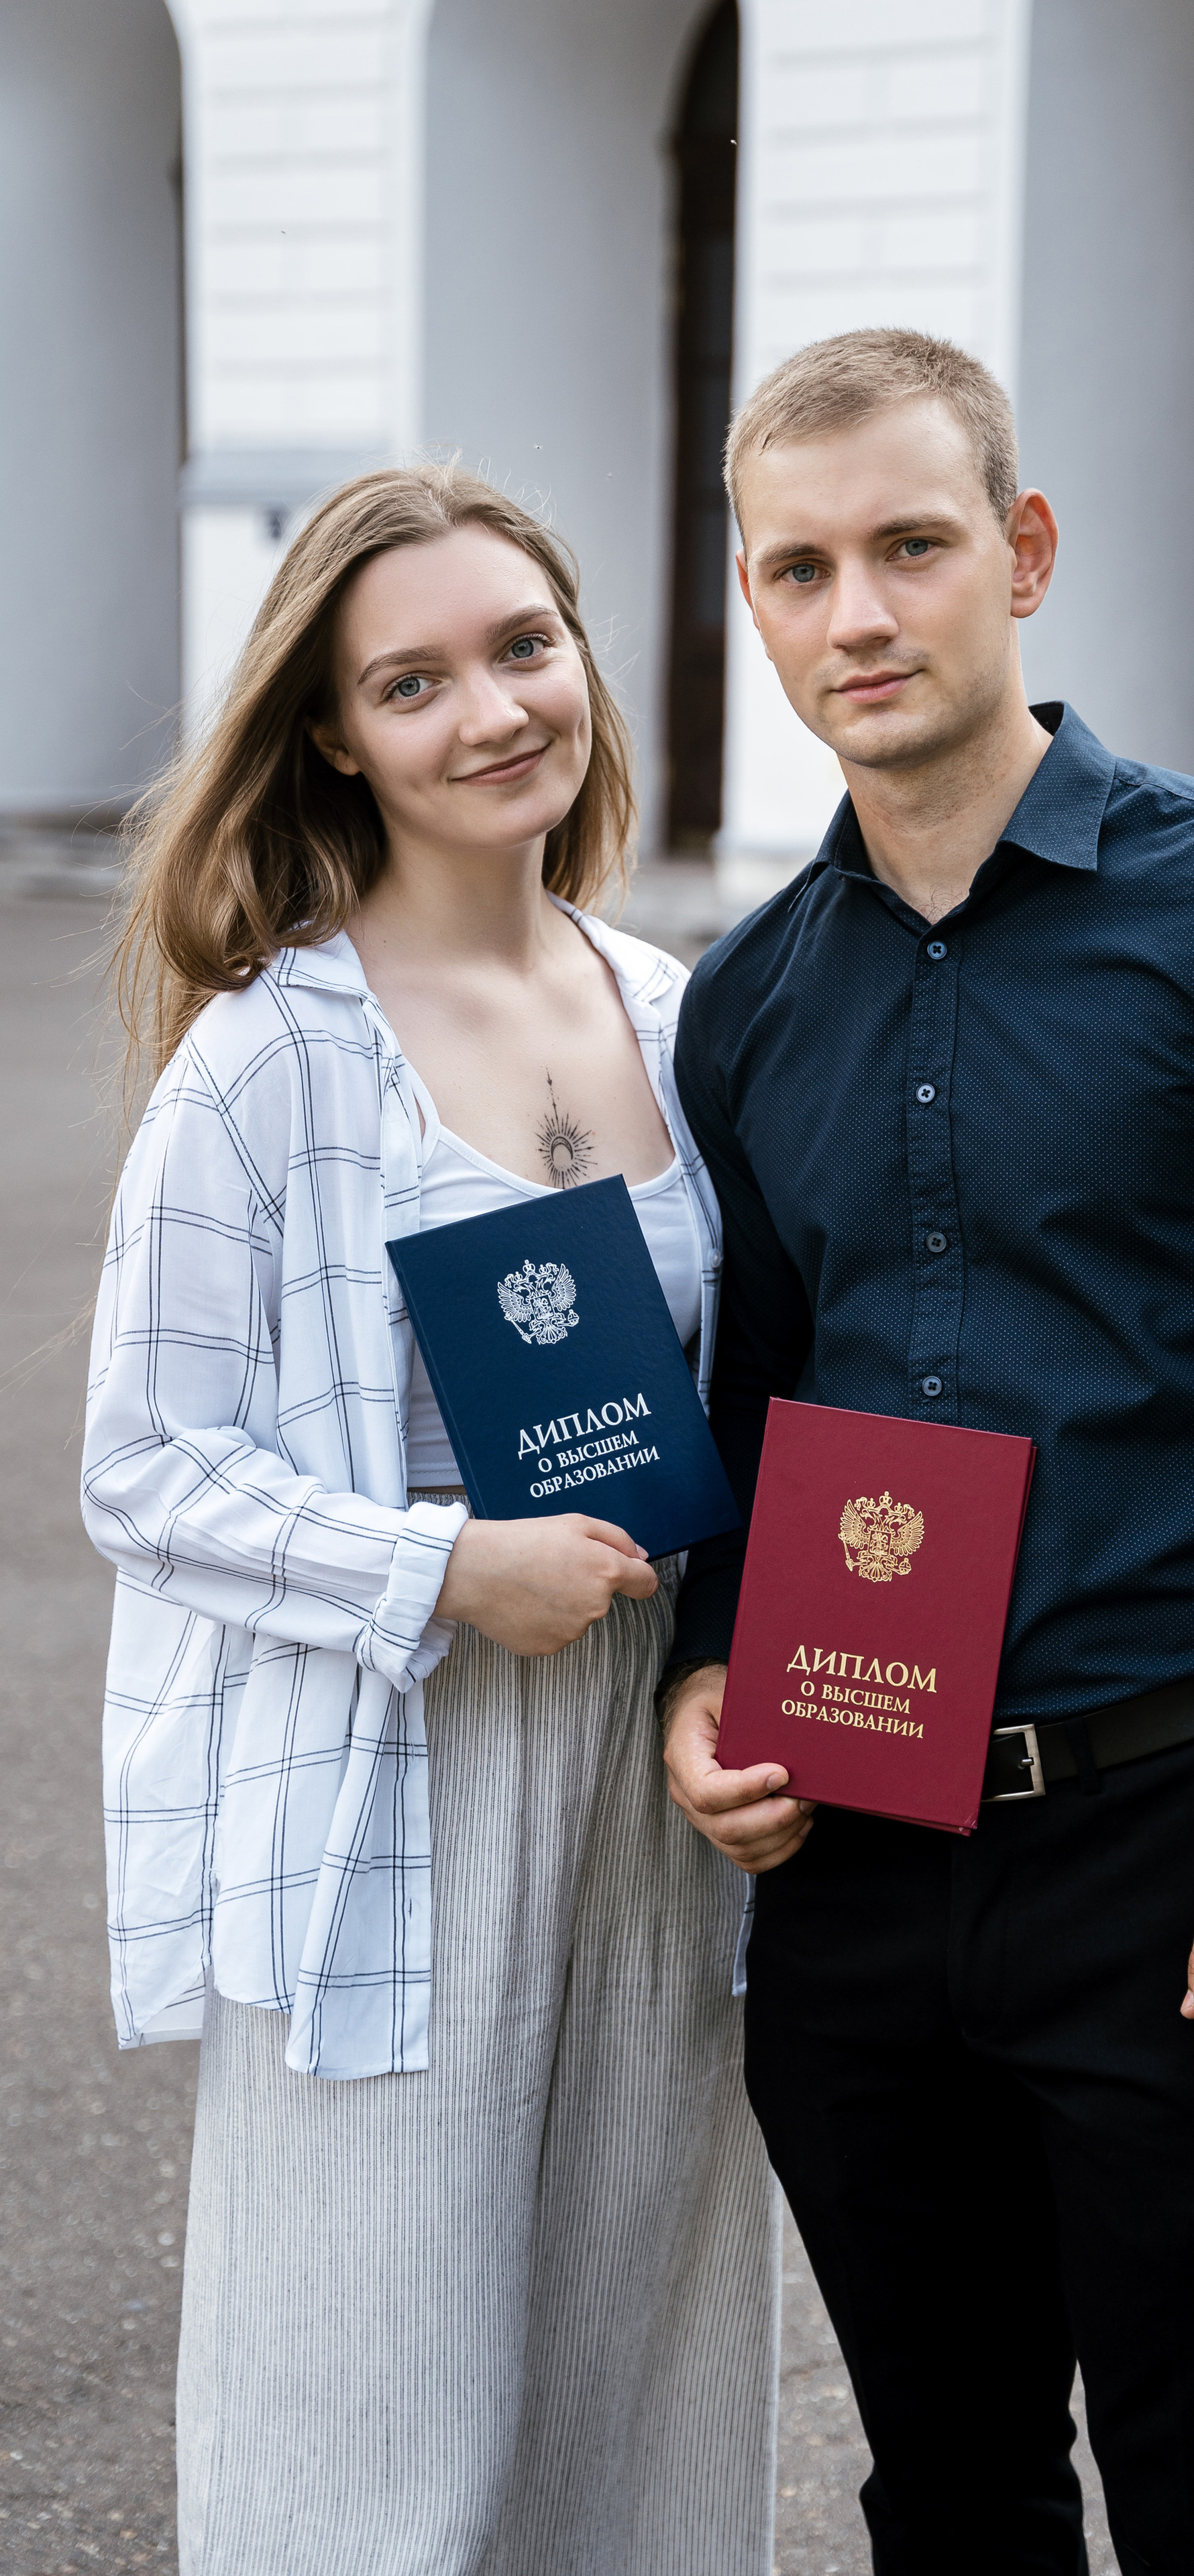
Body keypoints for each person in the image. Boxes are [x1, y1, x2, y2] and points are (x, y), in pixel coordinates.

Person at [659, 329, 1194, 2575]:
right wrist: (712, 1675)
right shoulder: (748, 1003)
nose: (859, 615)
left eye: (912, 547)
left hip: (1176, 1857)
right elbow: (759, 1405)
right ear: (752, 601)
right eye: (800, 566)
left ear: (1020, 553)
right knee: (949, 2495)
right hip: (854, 1867)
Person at [83, 464, 777, 2575]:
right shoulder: (269, 1060)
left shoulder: (689, 1012)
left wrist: (762, 1661)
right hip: (389, 1782)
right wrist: (440, 1565)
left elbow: (757, 1392)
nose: (491, 711)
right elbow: (142, 1463)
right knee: (364, 2407)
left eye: (524, 647)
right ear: (334, 732)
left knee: (639, 2371)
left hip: (652, 1791)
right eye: (415, 679)